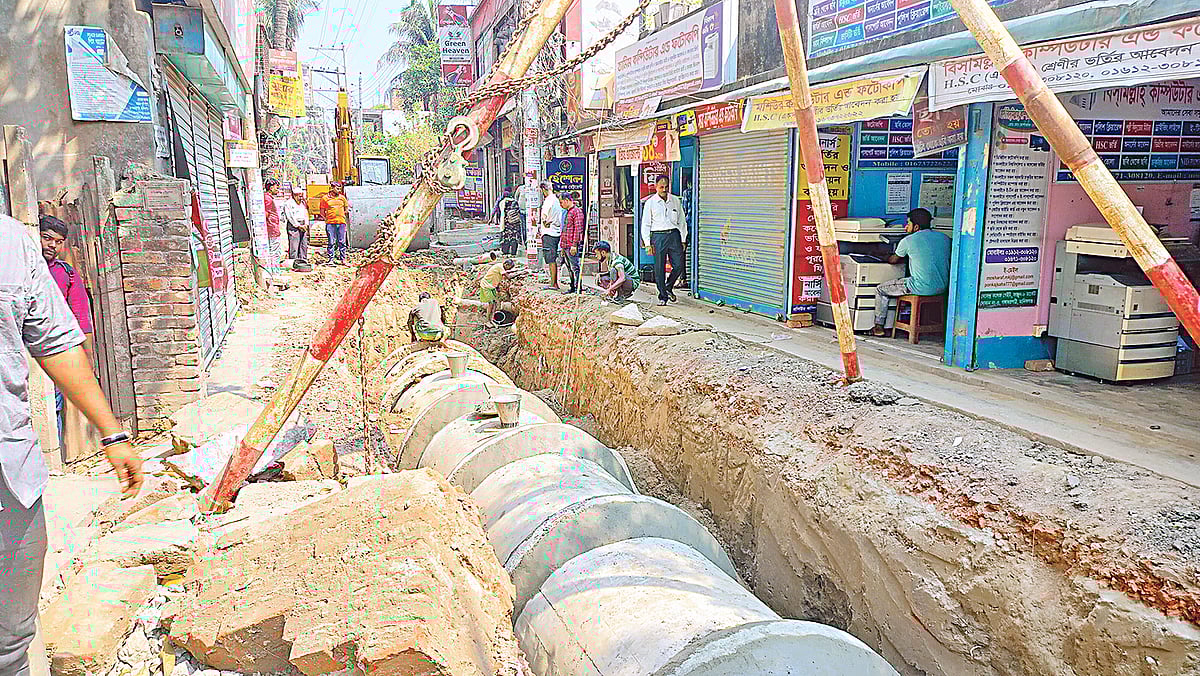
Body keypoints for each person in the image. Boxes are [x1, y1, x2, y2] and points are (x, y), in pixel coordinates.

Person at [0, 213, 143, 676]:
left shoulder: (12, 246)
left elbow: (57, 341)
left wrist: (112, 432)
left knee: (10, 641)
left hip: (9, 474)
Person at [39, 215, 93, 446]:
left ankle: (53, 465)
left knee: (54, 405)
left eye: (58, 241)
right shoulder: (16, 267)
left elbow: (81, 316)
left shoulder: (66, 273)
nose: (52, 245)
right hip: (17, 350)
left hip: (53, 350)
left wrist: (86, 356)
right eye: (47, 238)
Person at [871, 207, 952, 337]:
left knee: (880, 289)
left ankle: (878, 326)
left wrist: (880, 255)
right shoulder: (945, 238)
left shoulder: (908, 240)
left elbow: (893, 260)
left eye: (908, 223)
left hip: (919, 287)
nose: (905, 227)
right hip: (942, 288)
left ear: (916, 227)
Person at [641, 175, 686, 305]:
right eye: (661, 187)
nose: (664, 189)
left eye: (666, 187)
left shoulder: (675, 200)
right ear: (656, 187)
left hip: (674, 235)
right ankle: (662, 296)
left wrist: (683, 239)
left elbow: (681, 220)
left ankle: (668, 287)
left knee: (679, 265)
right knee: (659, 267)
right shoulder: (651, 203)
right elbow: (646, 224)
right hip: (658, 236)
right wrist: (648, 243)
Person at [539, 181, 564, 289]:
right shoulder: (557, 200)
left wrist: (545, 222)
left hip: (549, 233)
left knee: (550, 259)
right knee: (553, 258)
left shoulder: (548, 201)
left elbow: (544, 216)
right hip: (556, 231)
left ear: (544, 190)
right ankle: (554, 282)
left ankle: (553, 283)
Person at [559, 192, 585, 294]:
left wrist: (574, 245)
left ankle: (578, 287)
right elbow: (565, 229)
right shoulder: (567, 212)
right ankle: (572, 287)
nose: (561, 205)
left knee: (575, 267)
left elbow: (578, 230)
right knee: (569, 267)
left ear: (566, 201)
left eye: (561, 202)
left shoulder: (576, 212)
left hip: (571, 245)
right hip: (565, 244)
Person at [320, 182, 350, 265]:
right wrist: (327, 219)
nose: (339, 190)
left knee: (342, 242)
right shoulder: (325, 198)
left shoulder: (342, 198)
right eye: (337, 188)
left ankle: (343, 259)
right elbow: (322, 212)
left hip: (341, 223)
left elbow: (346, 208)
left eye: (340, 188)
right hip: (330, 224)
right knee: (331, 242)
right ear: (332, 188)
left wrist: (342, 215)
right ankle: (331, 259)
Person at [283, 186, 310, 266]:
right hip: (294, 226)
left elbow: (306, 214)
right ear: (294, 195)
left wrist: (306, 224)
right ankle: (293, 262)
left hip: (303, 224)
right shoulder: (288, 204)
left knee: (303, 245)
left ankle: (303, 261)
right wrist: (297, 225)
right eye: (298, 196)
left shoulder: (303, 203)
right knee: (294, 245)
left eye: (301, 196)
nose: (300, 198)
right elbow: (290, 216)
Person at [263, 179, 284, 277]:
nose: (278, 189)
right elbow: (265, 214)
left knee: (273, 252)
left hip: (271, 229)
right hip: (271, 229)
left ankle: (273, 272)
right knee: (274, 253)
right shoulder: (268, 199)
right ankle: (275, 273)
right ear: (271, 188)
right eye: (276, 187)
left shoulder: (267, 198)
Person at [495, 188, 521, 256]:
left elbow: (498, 211)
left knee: (506, 238)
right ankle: (513, 252)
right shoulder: (515, 201)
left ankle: (505, 252)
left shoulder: (502, 202)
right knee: (514, 237)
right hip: (515, 223)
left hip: (506, 223)